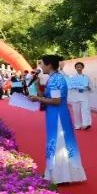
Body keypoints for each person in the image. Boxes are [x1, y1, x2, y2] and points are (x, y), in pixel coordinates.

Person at [27, 54, 87, 184]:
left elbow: (56, 100)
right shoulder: (54, 78)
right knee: (59, 143)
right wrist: (37, 87)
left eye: (42, 64)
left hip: (58, 116)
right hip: (55, 114)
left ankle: (62, 176)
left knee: (60, 143)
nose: (40, 67)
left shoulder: (55, 80)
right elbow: (49, 97)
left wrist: (37, 98)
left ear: (49, 65)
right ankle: (62, 174)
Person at [67, 61, 93, 130]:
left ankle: (86, 124)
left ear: (82, 67)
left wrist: (87, 87)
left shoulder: (86, 77)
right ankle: (77, 125)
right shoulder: (71, 78)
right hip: (75, 96)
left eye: (80, 66)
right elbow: (69, 87)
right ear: (75, 68)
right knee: (76, 111)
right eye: (77, 66)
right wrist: (74, 87)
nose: (79, 67)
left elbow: (91, 88)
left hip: (84, 96)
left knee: (85, 110)